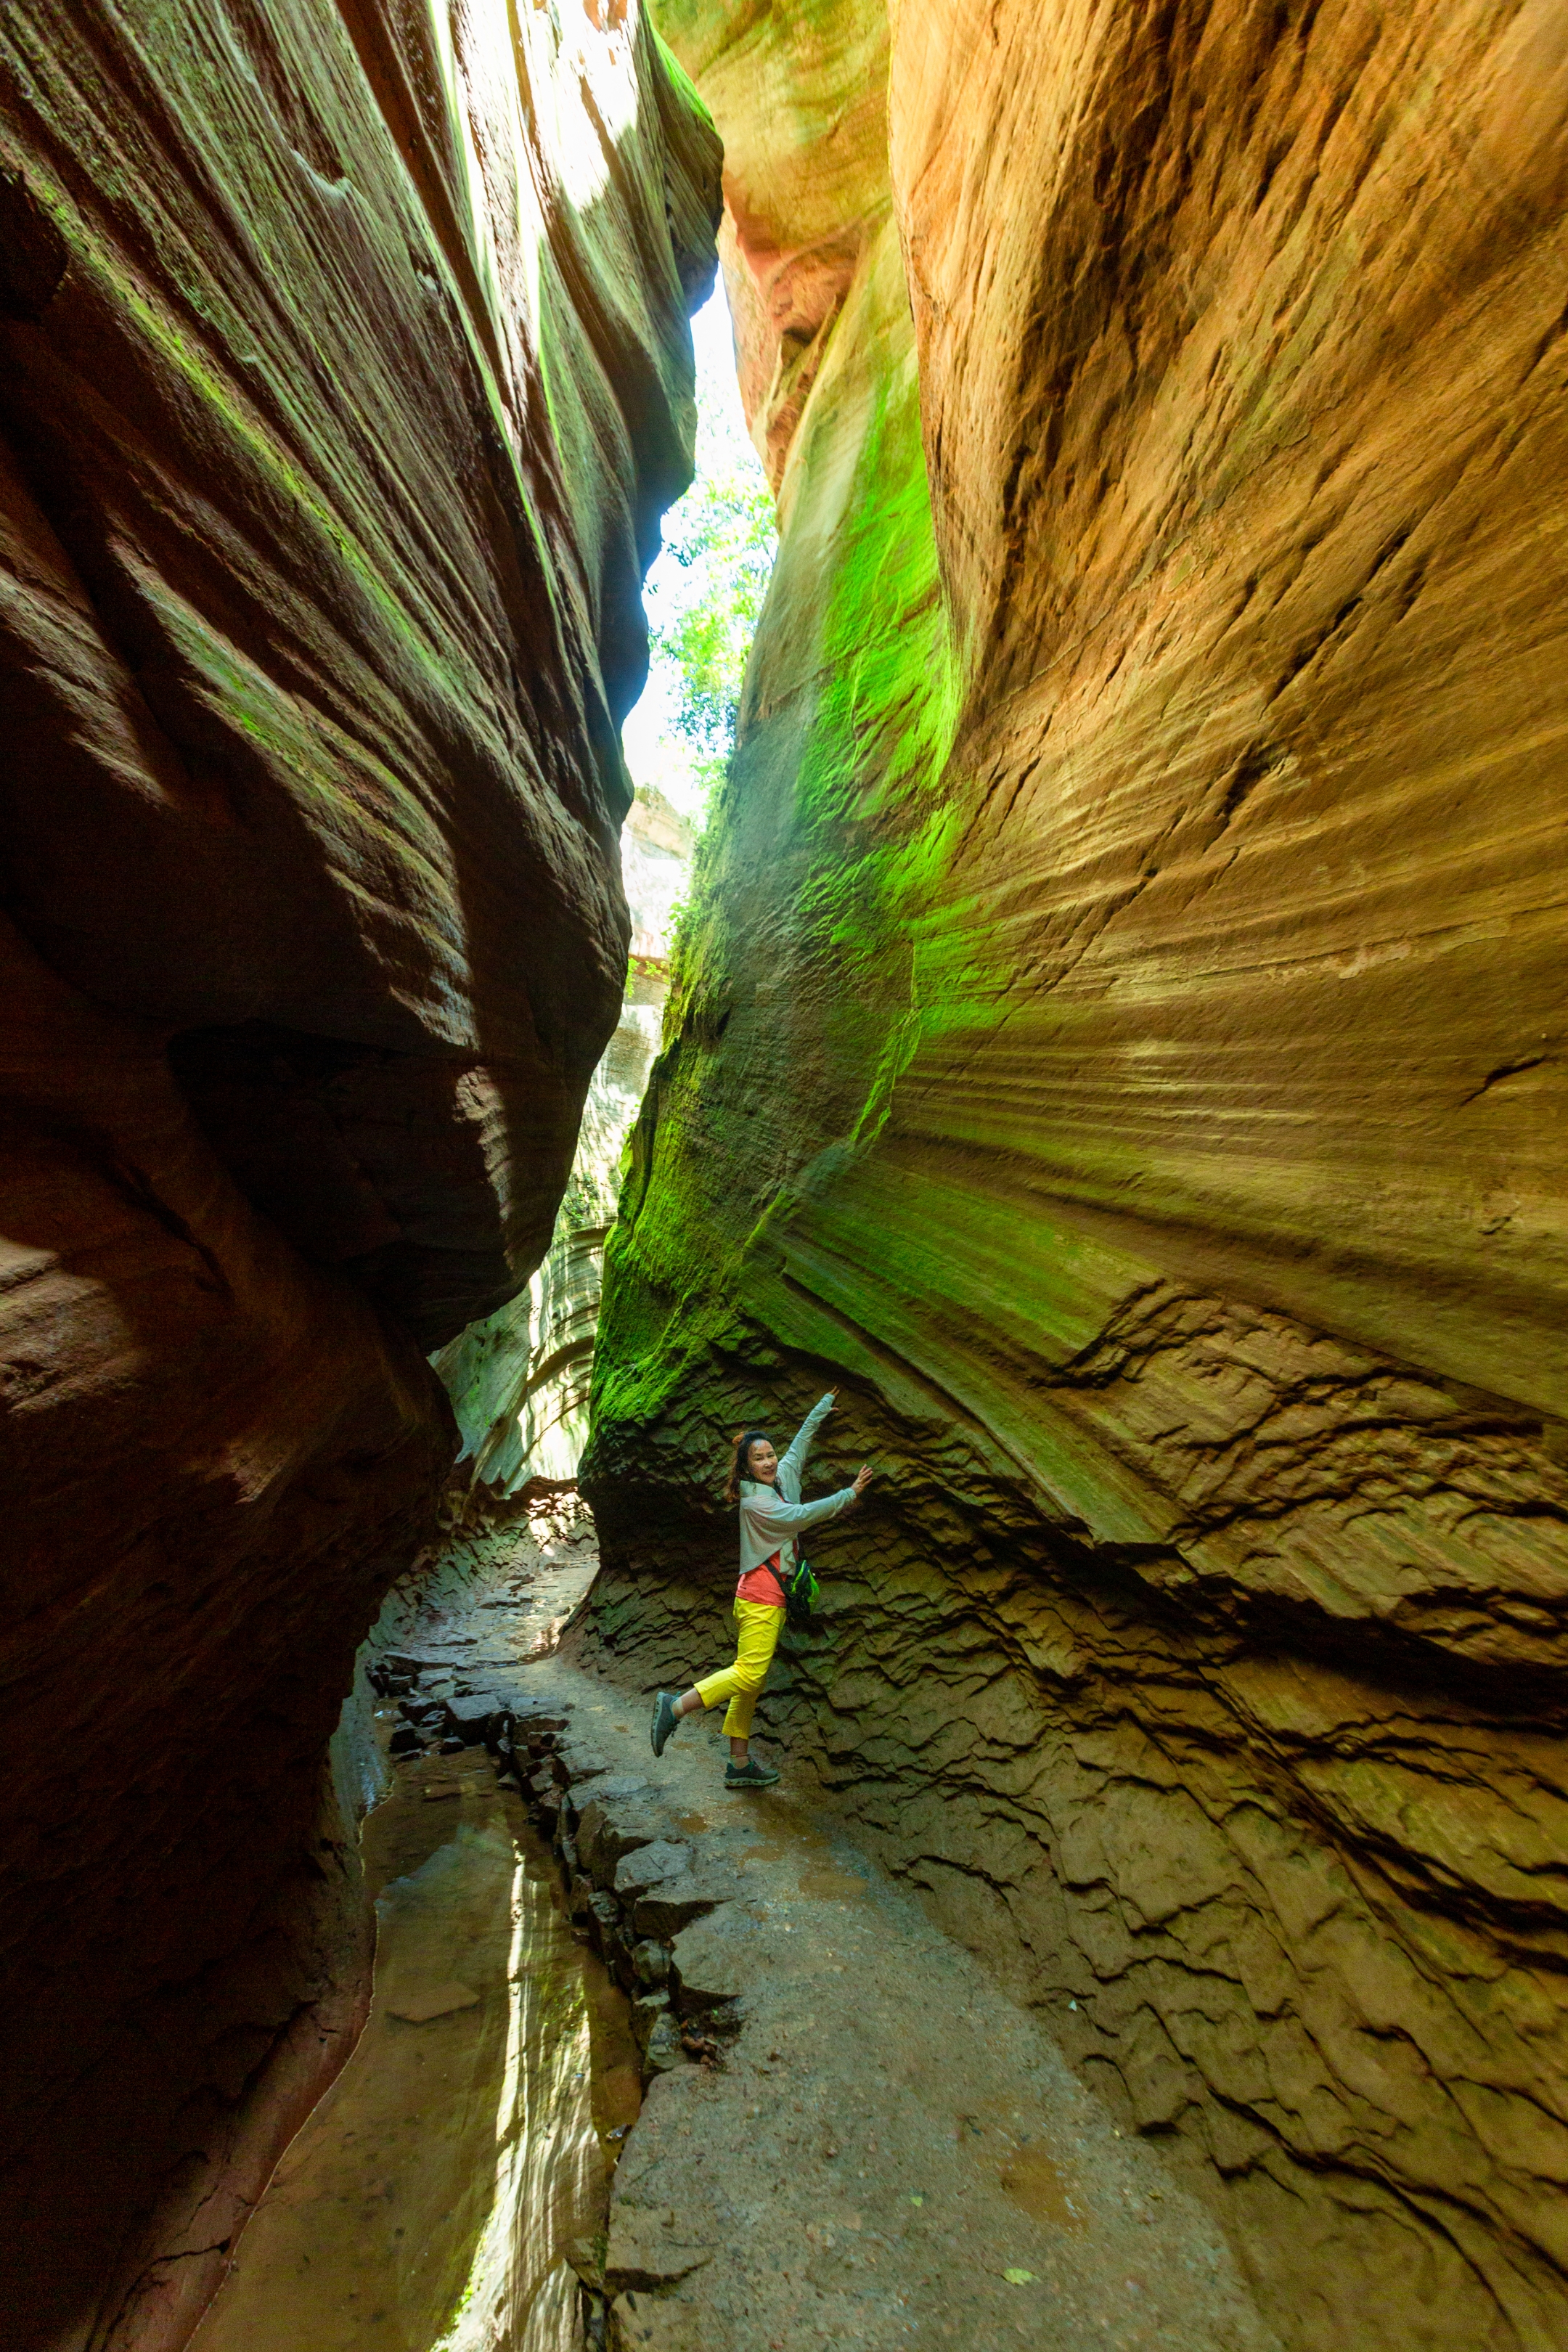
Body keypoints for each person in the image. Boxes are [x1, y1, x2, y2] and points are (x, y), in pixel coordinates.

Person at [649, 1390, 873, 1789]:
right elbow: (802, 1515)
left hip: (762, 1595)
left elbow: (800, 1444)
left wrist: (820, 1409)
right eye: (759, 1458)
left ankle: (738, 1764)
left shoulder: (781, 1478)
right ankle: (675, 1706)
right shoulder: (757, 1505)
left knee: (750, 1679)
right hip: (760, 1598)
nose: (769, 1461)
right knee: (749, 1675)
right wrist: (849, 1493)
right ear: (746, 1469)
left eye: (770, 1454)